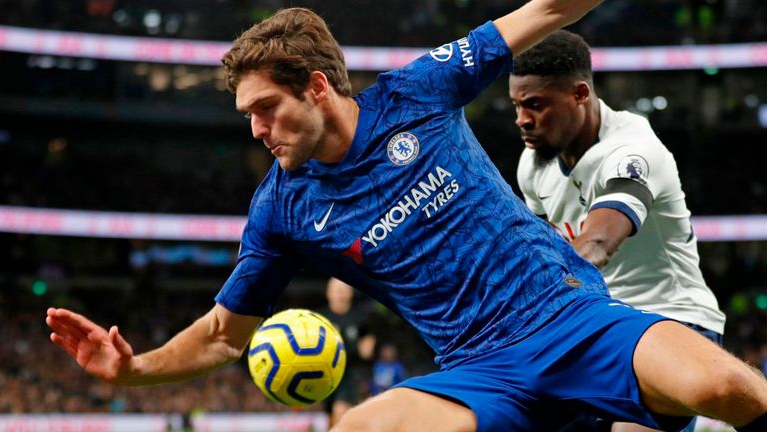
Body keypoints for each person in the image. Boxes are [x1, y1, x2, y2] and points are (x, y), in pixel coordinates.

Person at [45, 4, 767, 432]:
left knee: (725, 390)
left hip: (573, 319)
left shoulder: (418, 90)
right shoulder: (282, 211)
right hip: (482, 375)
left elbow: (544, 13)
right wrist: (131, 371)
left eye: (266, 108)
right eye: (247, 117)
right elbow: (222, 336)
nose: (257, 130)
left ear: (318, 87)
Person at [509, 30, 727, 432]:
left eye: (535, 105)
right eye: (517, 105)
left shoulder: (634, 151)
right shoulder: (533, 164)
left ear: (579, 94)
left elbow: (597, 241)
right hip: (596, 324)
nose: (522, 119)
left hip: (672, 320)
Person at [317, 278, 377, 426]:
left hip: (350, 375)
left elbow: (367, 349)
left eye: (344, 290)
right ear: (328, 293)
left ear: (350, 293)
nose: (340, 294)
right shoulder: (320, 319)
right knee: (330, 420)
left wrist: (367, 347)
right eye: (337, 290)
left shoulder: (360, 318)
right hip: (325, 376)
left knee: (341, 412)